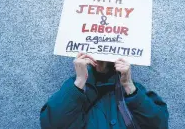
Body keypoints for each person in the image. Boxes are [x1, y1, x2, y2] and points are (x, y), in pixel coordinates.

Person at [40, 53, 169, 129]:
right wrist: (80, 81)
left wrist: (129, 86)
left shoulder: (133, 90)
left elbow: (159, 125)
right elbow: (51, 125)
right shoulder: (75, 88)